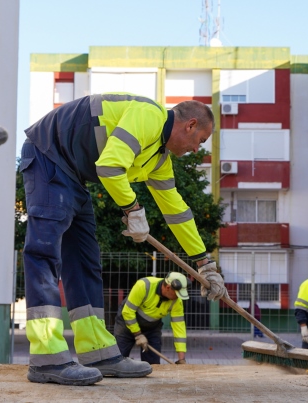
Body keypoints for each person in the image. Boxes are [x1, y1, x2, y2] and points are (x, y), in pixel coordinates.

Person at [20, 93, 227, 386]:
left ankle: (97, 352)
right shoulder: (150, 116)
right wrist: (133, 209)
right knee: (44, 253)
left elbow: (177, 212)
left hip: (74, 174)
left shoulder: (158, 158)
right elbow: (109, 167)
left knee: (84, 260)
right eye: (200, 141)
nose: (196, 149)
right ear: (190, 125)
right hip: (48, 155)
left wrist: (205, 264)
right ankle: (46, 358)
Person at [114, 272, 190, 365]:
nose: (178, 297)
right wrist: (138, 334)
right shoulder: (144, 286)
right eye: (177, 293)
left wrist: (181, 359)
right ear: (168, 288)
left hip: (152, 328)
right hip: (126, 324)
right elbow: (127, 312)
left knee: (153, 365)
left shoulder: (176, 302)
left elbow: (179, 328)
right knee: (118, 360)